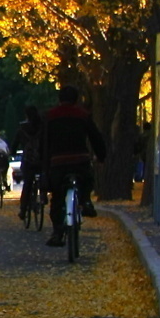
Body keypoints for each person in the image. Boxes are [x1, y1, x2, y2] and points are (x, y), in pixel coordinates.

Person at [41, 85, 106, 247]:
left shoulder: (50, 116)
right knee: (87, 179)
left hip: (58, 161)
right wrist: (101, 155)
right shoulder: (83, 115)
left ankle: (57, 232)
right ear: (76, 99)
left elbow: (44, 142)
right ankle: (86, 201)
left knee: (57, 197)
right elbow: (95, 137)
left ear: (59, 99)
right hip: (80, 159)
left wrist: (45, 163)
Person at [12, 105, 42, 220]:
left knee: (28, 184)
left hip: (28, 160)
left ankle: (23, 210)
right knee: (44, 178)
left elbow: (14, 144)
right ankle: (43, 197)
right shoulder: (42, 127)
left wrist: (13, 152)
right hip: (41, 160)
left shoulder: (22, 128)